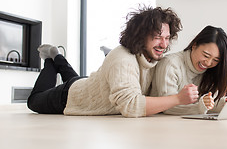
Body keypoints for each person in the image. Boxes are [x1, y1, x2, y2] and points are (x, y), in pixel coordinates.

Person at [27, 6, 199, 117]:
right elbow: (131, 105)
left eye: (167, 38)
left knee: (76, 79)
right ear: (141, 35)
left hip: (90, 84)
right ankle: (51, 59)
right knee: (34, 101)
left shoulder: (155, 58)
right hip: (70, 96)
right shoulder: (123, 58)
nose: (164, 44)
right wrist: (177, 99)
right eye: (157, 37)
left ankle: (59, 58)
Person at [151, 25, 227, 115]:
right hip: (161, 123)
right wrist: (200, 107)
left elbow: (204, 106)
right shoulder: (171, 64)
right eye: (206, 55)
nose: (208, 63)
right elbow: (167, 108)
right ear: (194, 45)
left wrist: (221, 104)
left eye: (215, 60)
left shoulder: (212, 70)